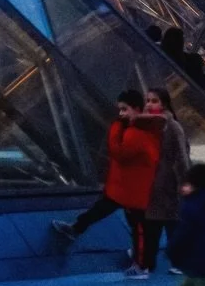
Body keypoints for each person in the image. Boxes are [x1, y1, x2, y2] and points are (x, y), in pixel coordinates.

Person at [52, 89, 160, 268]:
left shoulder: (136, 131)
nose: (121, 114)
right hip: (126, 186)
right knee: (106, 211)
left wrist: (115, 130)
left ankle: (141, 265)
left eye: (124, 109)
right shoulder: (143, 129)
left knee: (136, 226)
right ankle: (76, 229)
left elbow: (119, 153)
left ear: (136, 109)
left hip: (131, 189)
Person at [138, 88, 190, 278]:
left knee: (167, 223)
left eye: (154, 101)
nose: (150, 104)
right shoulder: (145, 125)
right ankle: (151, 263)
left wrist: (185, 181)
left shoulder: (171, 126)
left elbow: (182, 157)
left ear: (164, 104)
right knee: (156, 224)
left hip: (167, 182)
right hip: (153, 183)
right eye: (148, 100)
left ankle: (167, 262)